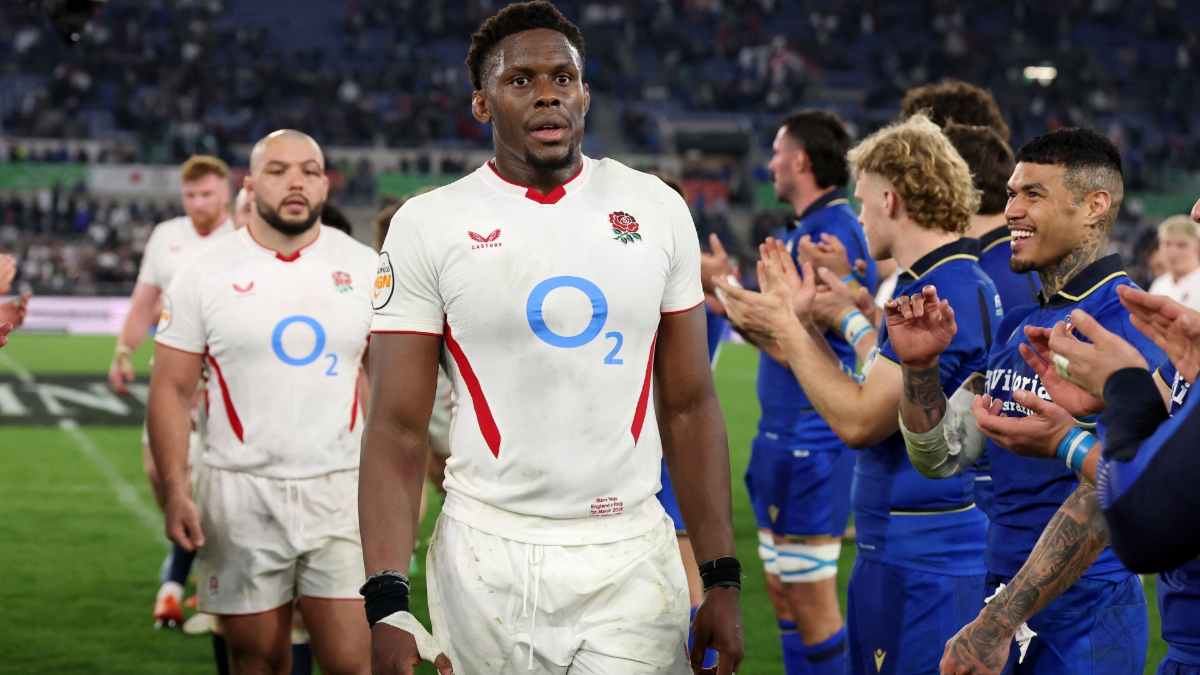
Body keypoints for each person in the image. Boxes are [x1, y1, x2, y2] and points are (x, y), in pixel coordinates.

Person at [359, 3, 743, 674]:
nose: (547, 92)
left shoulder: (656, 208)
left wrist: (721, 575)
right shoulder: (429, 224)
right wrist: (387, 601)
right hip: (487, 555)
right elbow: (395, 426)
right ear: (481, 102)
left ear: (585, 94)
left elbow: (688, 405)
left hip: (629, 548)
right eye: (521, 80)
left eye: (563, 77)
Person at [717, 114, 993, 675]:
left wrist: (789, 330)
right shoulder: (946, 280)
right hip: (904, 548)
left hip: (924, 558)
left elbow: (860, 421)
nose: (858, 213)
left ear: (889, 199)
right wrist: (826, 323)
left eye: (863, 200)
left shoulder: (946, 290)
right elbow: (877, 384)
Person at [893, 127, 1163, 675]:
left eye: (1032, 194)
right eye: (1012, 193)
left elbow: (1106, 498)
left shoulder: (1132, 323)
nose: (1011, 209)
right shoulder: (1019, 327)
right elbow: (941, 455)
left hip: (1088, 608)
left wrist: (996, 623)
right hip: (1001, 593)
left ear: (1095, 206)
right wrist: (920, 368)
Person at [147, 130, 376, 675]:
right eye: (277, 170)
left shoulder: (367, 267)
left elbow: (389, 393)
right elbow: (170, 390)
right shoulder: (203, 273)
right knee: (256, 663)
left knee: (355, 663)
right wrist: (178, 490)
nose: (295, 181)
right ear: (248, 185)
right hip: (238, 494)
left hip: (342, 492)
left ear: (326, 183)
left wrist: (399, 491)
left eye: (309, 170)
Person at [705, 109, 874, 675]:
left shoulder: (829, 234)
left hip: (812, 440)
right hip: (785, 438)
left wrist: (726, 292)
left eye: (778, 151)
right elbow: (785, 335)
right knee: (783, 594)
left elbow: (799, 344)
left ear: (800, 160)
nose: (771, 163)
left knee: (808, 600)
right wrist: (728, 291)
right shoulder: (807, 230)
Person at [107, 155, 236, 629]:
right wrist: (123, 350)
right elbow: (145, 300)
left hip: (224, 380)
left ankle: (209, 569)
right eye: (190, 195)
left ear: (225, 192)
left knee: (216, 475)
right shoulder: (166, 235)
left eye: (206, 194)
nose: (198, 202)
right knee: (159, 471)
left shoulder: (242, 233)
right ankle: (190, 544)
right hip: (172, 372)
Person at [650, 170, 725, 670]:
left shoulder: (689, 304)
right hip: (653, 453)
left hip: (663, 452)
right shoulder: (704, 303)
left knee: (682, 582)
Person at [1148, 215, 1200, 311]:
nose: (1173, 252)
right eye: (1167, 244)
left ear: (1197, 248)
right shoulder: (1159, 285)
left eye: (1181, 245)